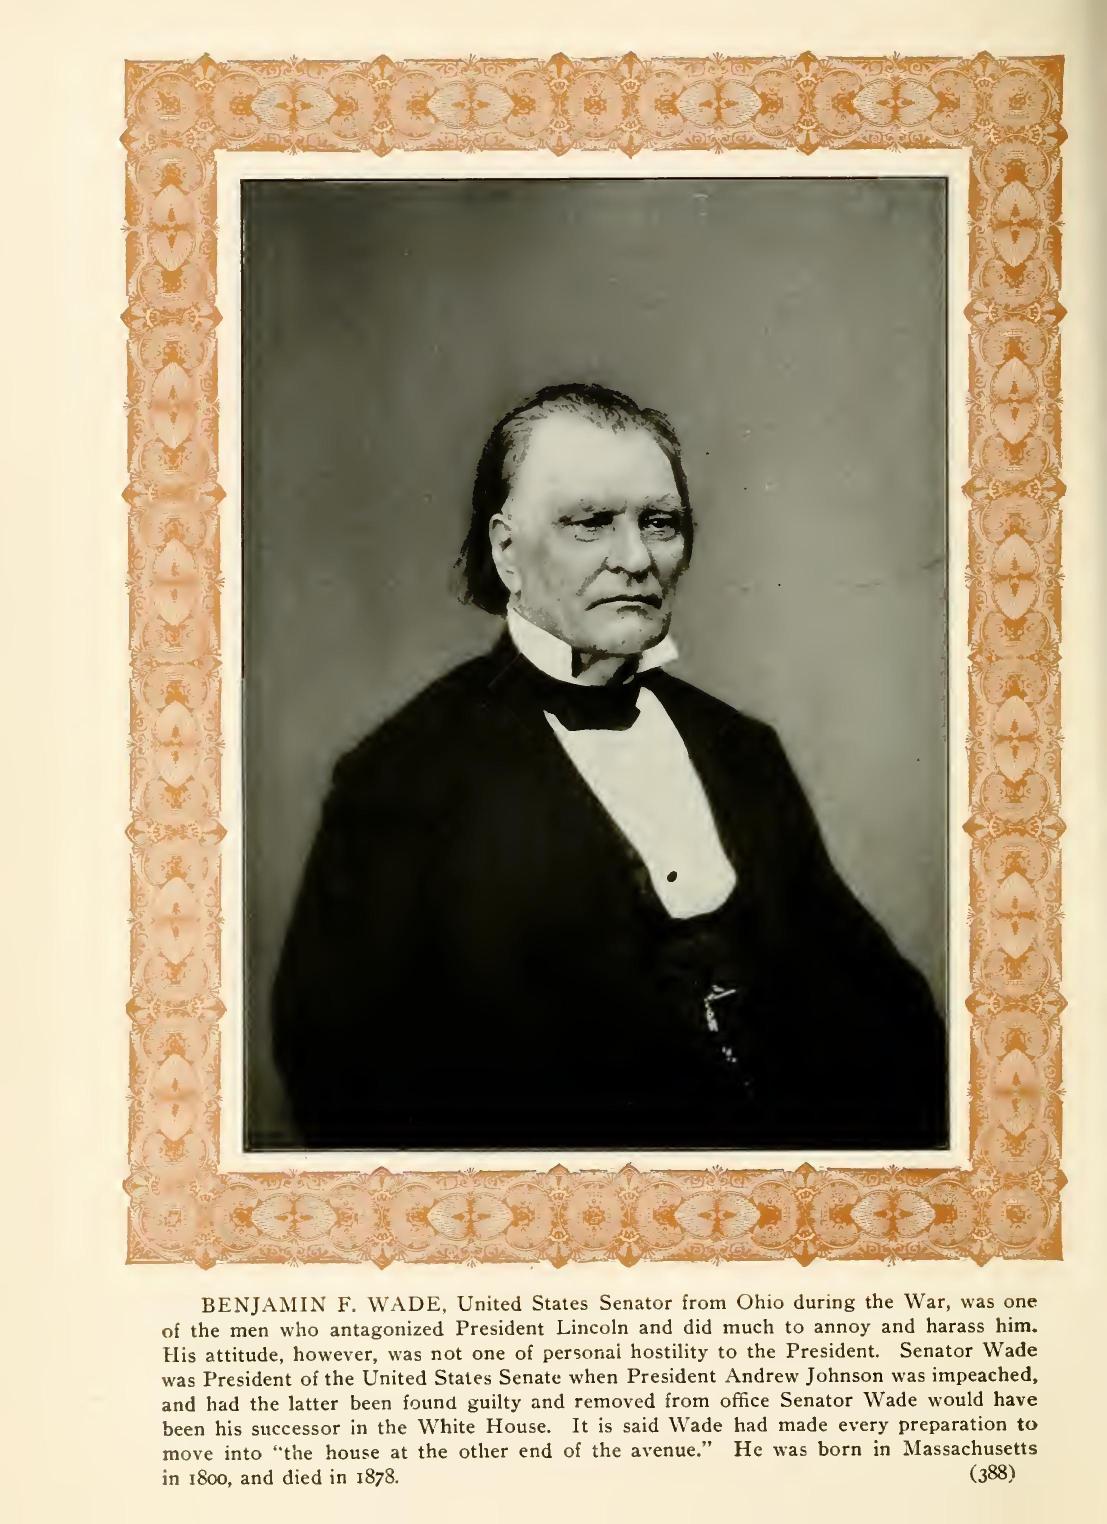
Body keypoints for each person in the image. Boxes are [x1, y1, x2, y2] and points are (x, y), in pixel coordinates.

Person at [273, 382, 947, 1151]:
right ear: (506, 551)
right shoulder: (400, 779)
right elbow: (343, 1080)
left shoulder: (741, 750)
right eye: (589, 523)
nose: (634, 559)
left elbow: (876, 1005)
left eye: (659, 523)